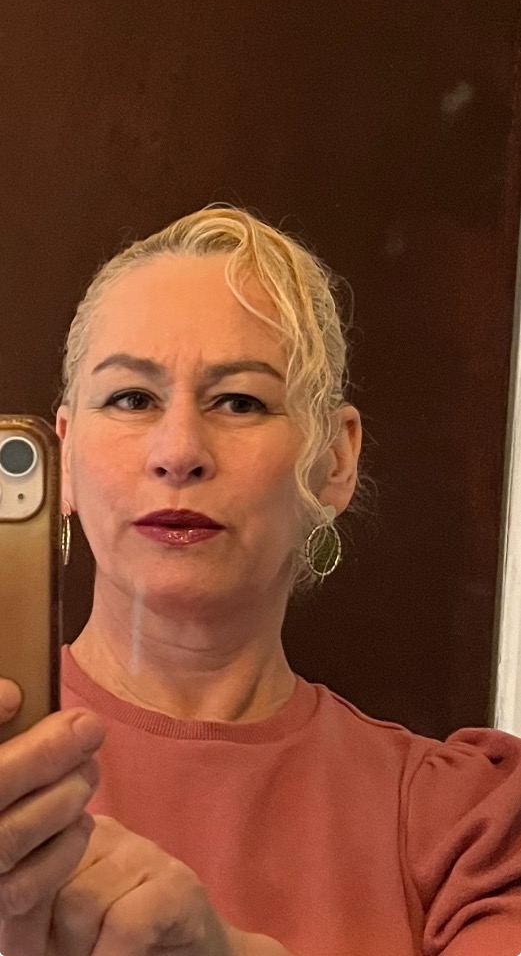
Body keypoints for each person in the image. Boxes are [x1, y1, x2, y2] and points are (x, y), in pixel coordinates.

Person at [0, 206, 520, 956]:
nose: (179, 451)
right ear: (66, 454)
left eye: (239, 401)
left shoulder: (466, 827)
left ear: (335, 459)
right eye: (132, 399)